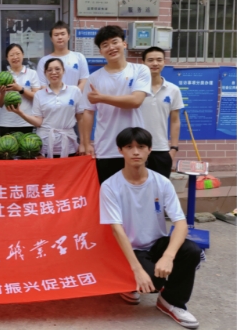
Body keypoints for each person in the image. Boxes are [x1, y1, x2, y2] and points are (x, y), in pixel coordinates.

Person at [100, 127, 201, 329]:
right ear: (120, 150)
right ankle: (128, 283)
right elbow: (117, 230)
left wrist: (168, 256)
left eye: (141, 146)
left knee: (191, 251)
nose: (135, 152)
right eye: (129, 147)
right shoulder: (110, 186)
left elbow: (180, 223)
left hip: (156, 244)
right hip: (129, 250)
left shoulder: (162, 182)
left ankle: (171, 301)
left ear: (150, 150)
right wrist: (137, 270)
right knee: (152, 282)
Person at [79, 25, 151, 184]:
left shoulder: (140, 70)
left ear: (124, 44)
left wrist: (101, 98)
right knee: (107, 192)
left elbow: (136, 101)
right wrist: (86, 143)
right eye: (105, 45)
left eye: (114, 42)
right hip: (105, 147)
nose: (111, 47)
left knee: (135, 190)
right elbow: (88, 112)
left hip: (135, 147)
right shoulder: (94, 78)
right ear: (101, 51)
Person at [8, 58, 83, 158]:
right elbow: (38, 122)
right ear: (45, 73)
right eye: (49, 70)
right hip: (45, 145)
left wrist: (83, 143)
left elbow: (81, 119)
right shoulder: (39, 95)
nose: (54, 72)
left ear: (63, 71)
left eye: (57, 69)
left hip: (69, 144)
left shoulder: (74, 91)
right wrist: (20, 113)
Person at [140, 47, 184, 179]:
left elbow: (175, 121)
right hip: (136, 148)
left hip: (161, 149)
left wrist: (173, 149)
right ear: (143, 63)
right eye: (150, 60)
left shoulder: (173, 90)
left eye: (159, 60)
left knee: (160, 188)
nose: (155, 63)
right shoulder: (135, 88)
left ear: (164, 62)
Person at [0, 43, 41, 136]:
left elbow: (37, 97)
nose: (15, 57)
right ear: (7, 58)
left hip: (27, 121)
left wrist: (19, 89)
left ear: (23, 55)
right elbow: (0, 104)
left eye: (18, 54)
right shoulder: (3, 76)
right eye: (11, 55)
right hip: (7, 122)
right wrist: (2, 93)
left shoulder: (32, 73)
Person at [36, 21, 89, 91]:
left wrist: (73, 95)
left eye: (62, 34)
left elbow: (84, 81)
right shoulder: (44, 61)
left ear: (68, 36)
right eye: (56, 35)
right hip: (51, 97)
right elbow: (43, 85)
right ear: (51, 38)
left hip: (75, 97)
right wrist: (55, 96)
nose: (60, 37)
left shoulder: (79, 57)